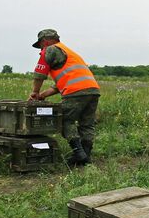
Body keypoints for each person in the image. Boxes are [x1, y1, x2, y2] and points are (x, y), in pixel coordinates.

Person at [28, 29, 100, 166]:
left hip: (75, 92)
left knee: (65, 120)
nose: (41, 49)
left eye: (41, 45)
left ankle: (79, 153)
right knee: (87, 124)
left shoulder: (50, 50)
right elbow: (59, 85)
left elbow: (39, 73)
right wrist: (42, 95)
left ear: (45, 41)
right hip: (93, 90)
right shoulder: (70, 53)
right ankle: (86, 155)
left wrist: (35, 92)